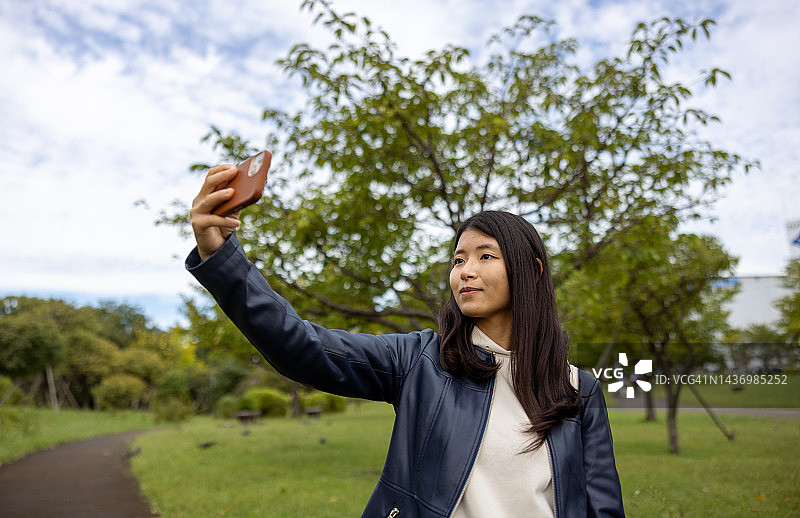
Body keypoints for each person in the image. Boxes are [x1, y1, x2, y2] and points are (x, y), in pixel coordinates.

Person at [187, 164, 625, 518]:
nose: (464, 271)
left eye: (485, 256)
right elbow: (303, 346)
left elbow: (601, 507)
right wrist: (223, 258)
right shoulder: (423, 361)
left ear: (532, 271)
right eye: (458, 259)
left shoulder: (578, 391)